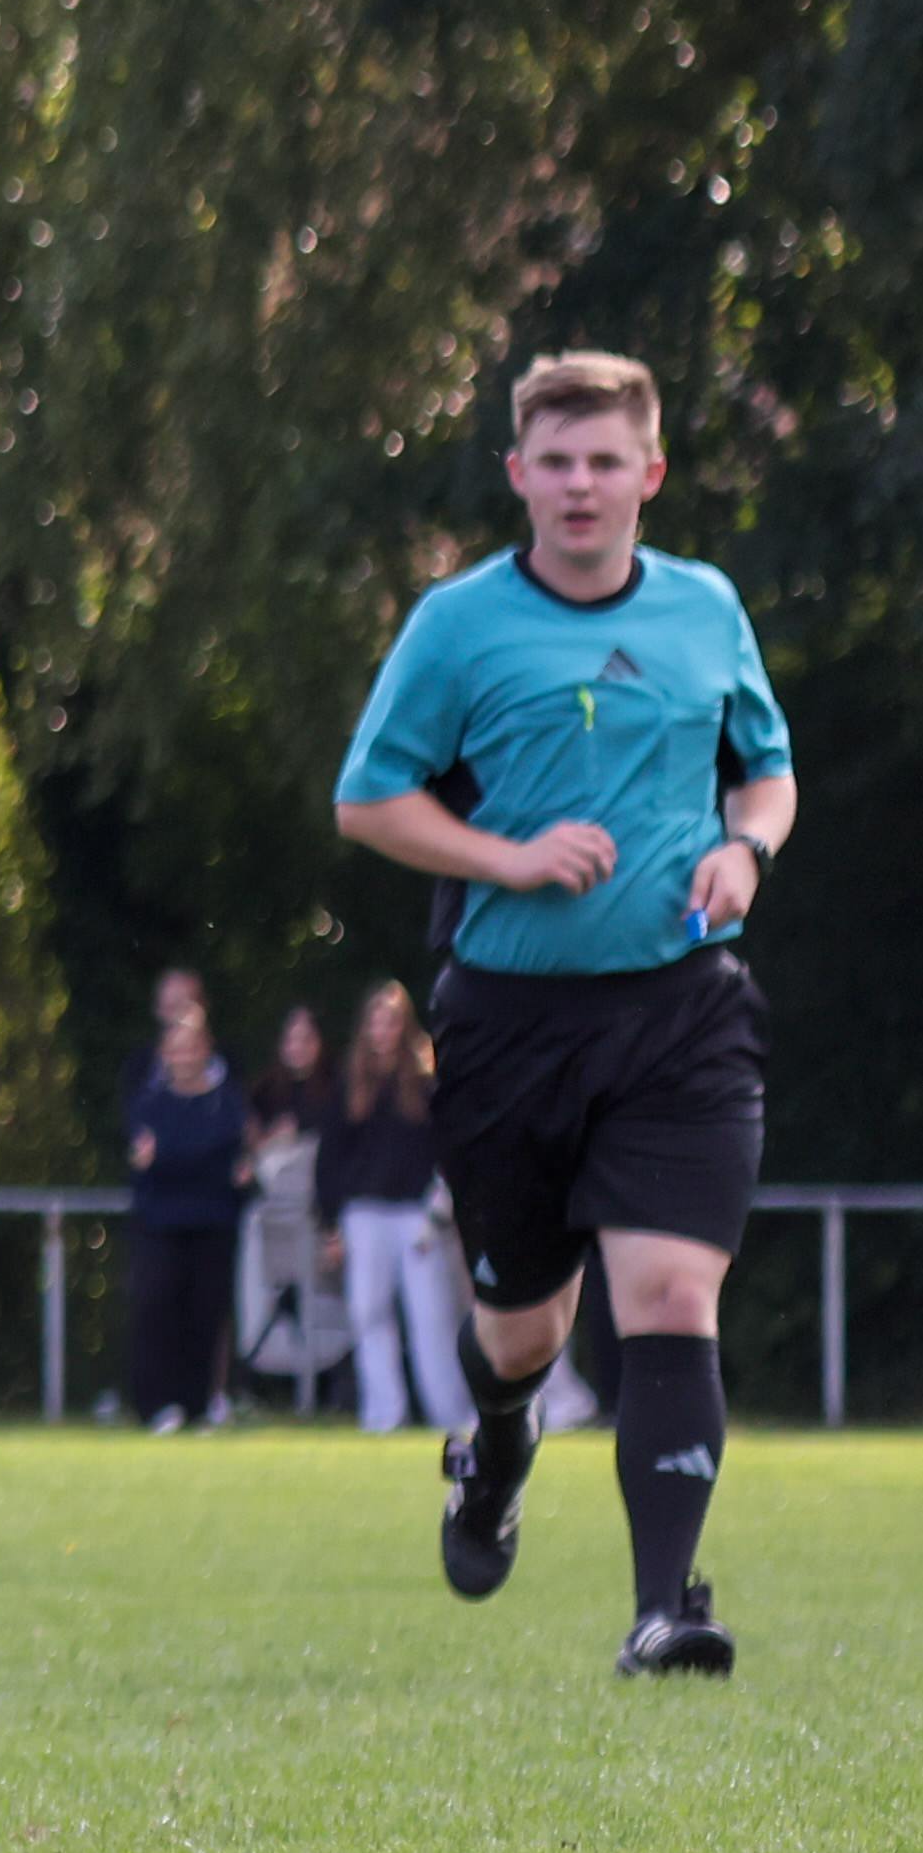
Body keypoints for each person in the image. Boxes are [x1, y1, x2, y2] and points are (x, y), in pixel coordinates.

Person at [332, 348, 793, 1676]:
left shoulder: (705, 607)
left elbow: (765, 771)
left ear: (649, 473)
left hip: (681, 1012)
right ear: (517, 475)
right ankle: (496, 1449)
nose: (580, 484)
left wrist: (744, 850)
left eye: (604, 461)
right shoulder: (458, 624)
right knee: (520, 1330)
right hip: (508, 1024)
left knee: (668, 1293)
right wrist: (509, 858)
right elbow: (367, 801)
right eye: (556, 461)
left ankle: (664, 1609)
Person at [320, 981, 459, 1434]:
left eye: (391, 1021)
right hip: (363, 1214)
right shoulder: (350, 1083)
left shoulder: (425, 1081)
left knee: (431, 1317)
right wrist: (330, 1223)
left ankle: (449, 1413)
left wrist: (439, 1204)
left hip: (416, 1215)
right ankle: (384, 1414)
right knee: (368, 1314)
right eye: (375, 1022)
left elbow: (446, 1148)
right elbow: (330, 1158)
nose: (382, 1031)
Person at [118, 972, 252, 1432]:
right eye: (176, 1050)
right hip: (159, 1225)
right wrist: (198, 1158)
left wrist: (171, 1156)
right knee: (156, 1309)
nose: (184, 1057)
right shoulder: (148, 1102)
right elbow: (167, 1160)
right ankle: (157, 1405)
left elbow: (223, 1153)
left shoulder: (227, 1102)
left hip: (213, 1223)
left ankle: (198, 1406)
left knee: (206, 1313)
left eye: (192, 1048)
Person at [239, 1003, 335, 1407]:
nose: (298, 1047)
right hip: (272, 1223)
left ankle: (327, 1386)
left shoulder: (337, 1091)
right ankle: (261, 1381)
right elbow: (249, 1157)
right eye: (291, 1039)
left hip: (318, 1218)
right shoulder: (264, 1092)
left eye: (306, 1038)